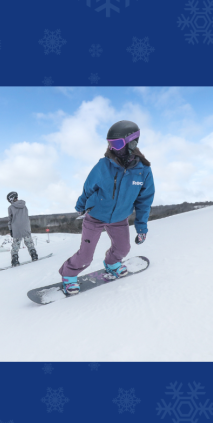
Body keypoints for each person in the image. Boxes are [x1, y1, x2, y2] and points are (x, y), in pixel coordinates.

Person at [58, 120, 155, 295]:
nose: (113, 148)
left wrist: (142, 227)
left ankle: (112, 263)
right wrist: (81, 205)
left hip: (120, 218)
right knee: (86, 256)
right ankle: (68, 274)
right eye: (110, 144)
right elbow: (89, 187)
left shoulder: (143, 171)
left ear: (132, 143)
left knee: (123, 249)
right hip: (95, 216)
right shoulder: (104, 165)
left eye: (117, 143)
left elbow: (144, 202)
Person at [6, 191, 38, 266]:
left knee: (16, 245)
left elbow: (10, 219)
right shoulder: (24, 205)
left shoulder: (11, 208)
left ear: (11, 199)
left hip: (16, 228)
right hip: (26, 227)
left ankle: (15, 260)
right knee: (29, 242)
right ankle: (34, 255)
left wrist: (10, 229)